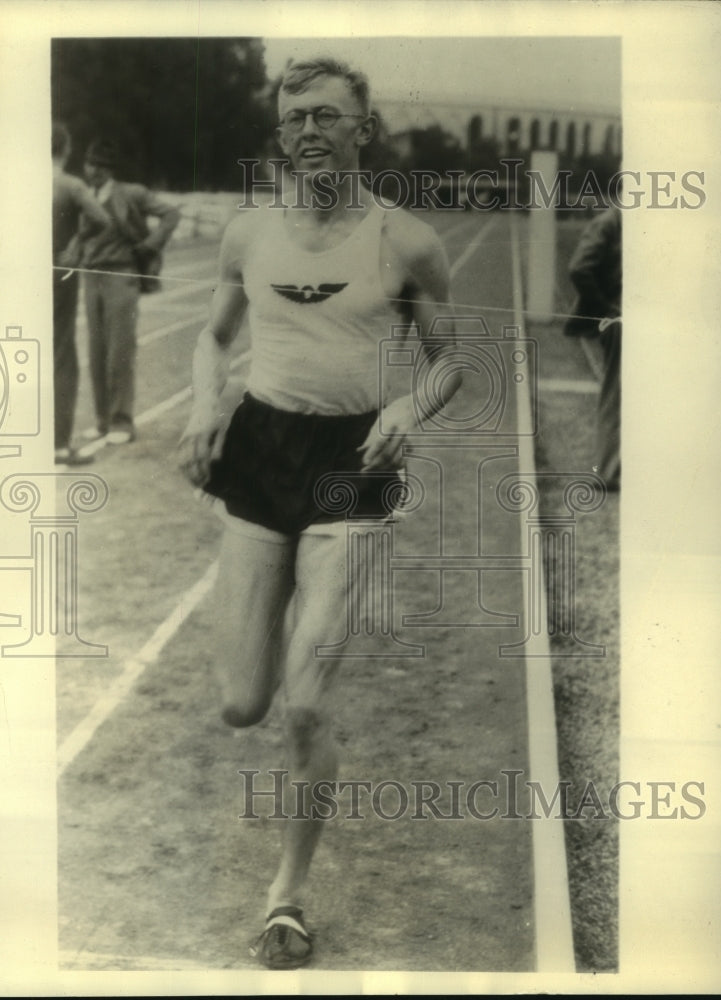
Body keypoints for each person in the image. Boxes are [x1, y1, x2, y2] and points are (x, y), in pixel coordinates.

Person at [178, 57, 460, 969]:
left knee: (304, 706)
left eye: (329, 116)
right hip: (262, 454)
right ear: (280, 133)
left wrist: (405, 411)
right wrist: (200, 404)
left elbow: (450, 362)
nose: (310, 130)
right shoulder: (248, 235)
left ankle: (286, 901)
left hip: (352, 465)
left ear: (363, 129)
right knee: (240, 702)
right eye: (295, 116)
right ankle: (276, 699)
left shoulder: (406, 242)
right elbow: (211, 338)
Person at [79, 139, 180, 444]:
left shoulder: (131, 193)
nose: (91, 169)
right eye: (89, 163)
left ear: (108, 168)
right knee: (96, 352)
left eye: (97, 164)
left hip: (121, 276)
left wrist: (151, 244)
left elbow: (171, 214)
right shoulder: (86, 196)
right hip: (91, 276)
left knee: (119, 352)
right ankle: (102, 420)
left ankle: (122, 422)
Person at [51, 122, 111, 465]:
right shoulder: (71, 185)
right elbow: (102, 219)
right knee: (62, 356)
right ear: (67, 149)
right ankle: (59, 444)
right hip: (59, 272)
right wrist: (77, 241)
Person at [564, 204, 622, 490]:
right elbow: (579, 268)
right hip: (620, 319)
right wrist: (605, 310)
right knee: (618, 391)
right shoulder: (611, 221)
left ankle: (617, 466)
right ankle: (609, 471)